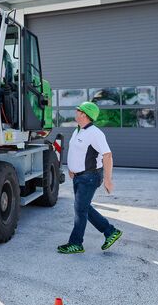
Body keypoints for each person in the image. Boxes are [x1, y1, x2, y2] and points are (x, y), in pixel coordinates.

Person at [57, 101, 123, 254]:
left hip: (90, 177)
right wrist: (72, 169)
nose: (76, 112)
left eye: (78, 111)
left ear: (85, 115)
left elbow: (107, 155)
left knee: (80, 209)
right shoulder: (78, 130)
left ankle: (76, 243)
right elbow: (77, 152)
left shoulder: (95, 133)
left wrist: (108, 179)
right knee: (84, 207)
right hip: (79, 177)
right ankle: (110, 231)